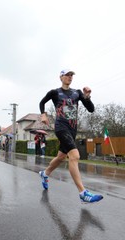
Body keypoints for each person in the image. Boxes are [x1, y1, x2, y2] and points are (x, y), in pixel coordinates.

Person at [38, 69, 103, 203]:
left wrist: (87, 96)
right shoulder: (55, 92)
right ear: (61, 77)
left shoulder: (77, 93)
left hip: (72, 130)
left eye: (71, 75)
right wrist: (43, 114)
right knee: (75, 156)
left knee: (61, 157)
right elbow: (42, 102)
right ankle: (83, 193)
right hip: (61, 128)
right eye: (67, 75)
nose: (70, 77)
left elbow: (91, 109)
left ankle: (45, 174)